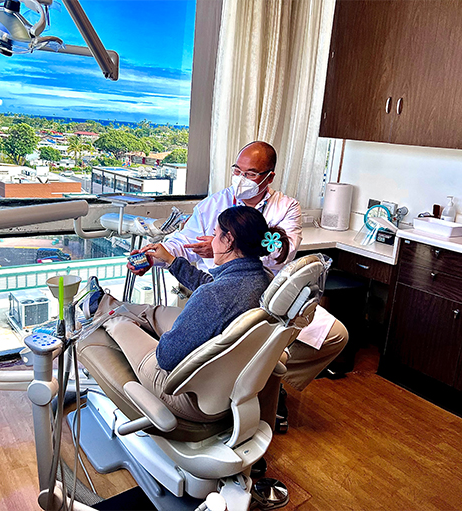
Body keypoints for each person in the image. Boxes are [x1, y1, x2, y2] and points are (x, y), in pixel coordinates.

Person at [128, 141, 348, 397]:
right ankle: (251, 375)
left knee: (336, 336)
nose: (241, 179)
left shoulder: (286, 207)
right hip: (220, 289)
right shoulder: (216, 203)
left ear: (269, 176)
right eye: (237, 171)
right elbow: (184, 242)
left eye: (250, 174)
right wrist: (158, 256)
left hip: (265, 295)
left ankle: (263, 377)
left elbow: (283, 253)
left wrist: (223, 249)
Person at [91, 206, 290, 421]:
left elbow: (166, 357)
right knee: (153, 312)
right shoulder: (262, 277)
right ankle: (103, 302)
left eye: (215, 234)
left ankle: (105, 312)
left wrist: (167, 334)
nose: (212, 241)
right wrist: (171, 261)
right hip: (228, 381)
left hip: (189, 397)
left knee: (119, 323)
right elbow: (213, 285)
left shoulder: (213, 297)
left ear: (229, 240)